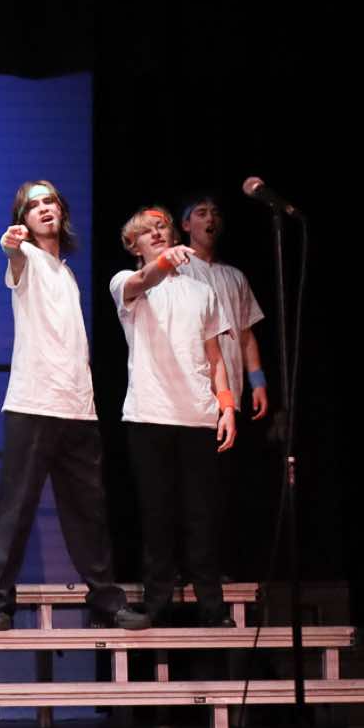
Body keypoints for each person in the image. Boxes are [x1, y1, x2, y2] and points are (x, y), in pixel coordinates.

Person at [0, 181, 146, 631]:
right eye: (32, 205)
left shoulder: (66, 273)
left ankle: (105, 600)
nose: (43, 209)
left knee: (89, 512)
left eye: (49, 201)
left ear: (61, 209)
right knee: (17, 509)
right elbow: (12, 255)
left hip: (78, 407)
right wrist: (11, 243)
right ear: (22, 219)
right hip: (33, 403)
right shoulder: (27, 258)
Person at [111, 207, 239, 626]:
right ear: (134, 245)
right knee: (157, 515)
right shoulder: (127, 284)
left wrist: (227, 406)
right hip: (150, 414)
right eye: (146, 231)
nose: (156, 233)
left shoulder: (202, 292)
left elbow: (214, 355)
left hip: (198, 416)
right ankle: (157, 605)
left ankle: (212, 608)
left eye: (161, 227)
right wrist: (165, 262)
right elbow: (145, 279)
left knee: (202, 516)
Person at [178, 196, 269, 421]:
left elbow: (246, 336)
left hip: (229, 396)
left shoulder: (235, 277)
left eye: (215, 213)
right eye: (202, 213)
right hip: (191, 396)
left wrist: (258, 383)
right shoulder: (178, 271)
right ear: (186, 225)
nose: (210, 218)